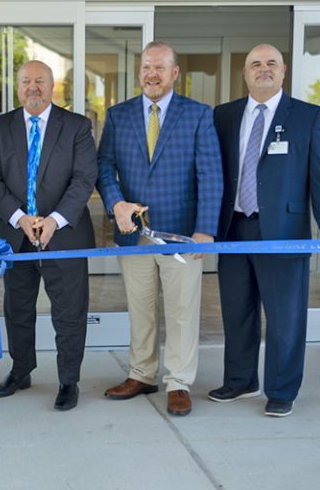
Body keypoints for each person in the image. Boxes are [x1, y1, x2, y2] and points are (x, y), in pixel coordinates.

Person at [209, 44, 320, 417]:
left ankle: (282, 390)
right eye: (255, 64)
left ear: (283, 71)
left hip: (284, 231)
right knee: (237, 312)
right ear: (245, 73)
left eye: (271, 63)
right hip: (234, 228)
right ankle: (240, 381)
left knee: (285, 317)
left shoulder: (308, 116)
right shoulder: (224, 116)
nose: (263, 69)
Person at [96, 41, 223, 417]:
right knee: (141, 308)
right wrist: (116, 203)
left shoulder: (198, 115)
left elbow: (210, 174)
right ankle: (142, 373)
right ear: (140, 73)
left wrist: (205, 230)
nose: (152, 74)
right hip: (133, 234)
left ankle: (179, 381)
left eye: (160, 68)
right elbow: (104, 167)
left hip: (183, 233)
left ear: (174, 73)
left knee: (183, 310)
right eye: (146, 68)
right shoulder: (119, 116)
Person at [0, 60, 97, 411]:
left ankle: (68, 380)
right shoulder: (1, 126)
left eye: (40, 81)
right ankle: (21, 370)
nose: (34, 87)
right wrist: (19, 219)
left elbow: (83, 179)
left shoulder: (76, 126)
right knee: (17, 309)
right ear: (17, 87)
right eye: (26, 81)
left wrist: (54, 220)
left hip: (64, 235)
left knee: (69, 311)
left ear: (52, 85)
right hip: (16, 236)